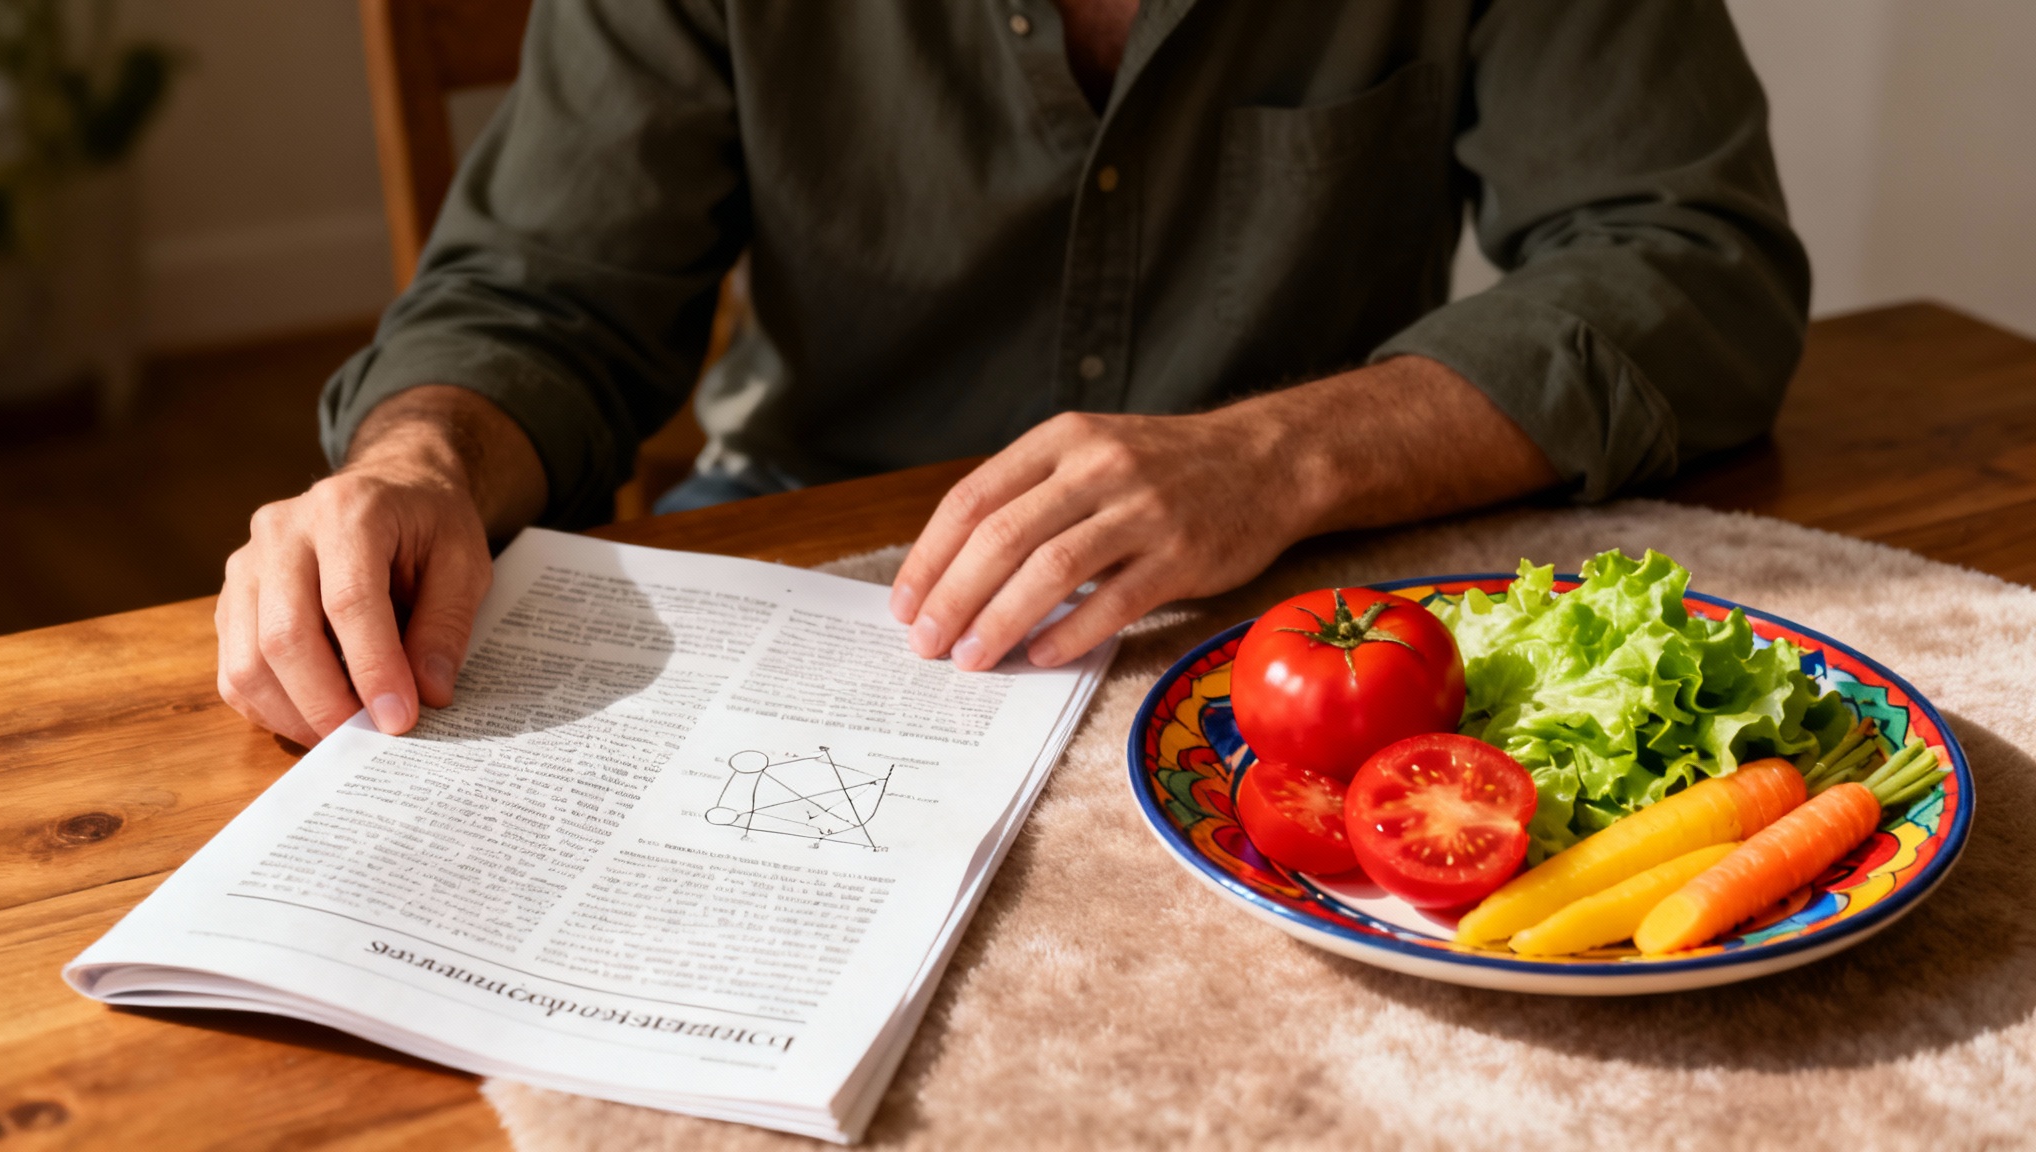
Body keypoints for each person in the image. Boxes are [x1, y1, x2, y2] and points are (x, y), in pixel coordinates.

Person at [216, 0, 1807, 748]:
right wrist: (415, 465)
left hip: (1313, 598)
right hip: (812, 551)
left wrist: (1277, 457)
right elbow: (541, 291)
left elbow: (1693, 260)